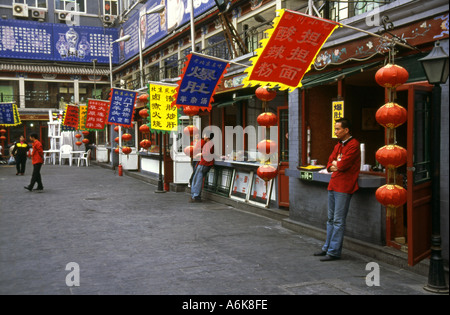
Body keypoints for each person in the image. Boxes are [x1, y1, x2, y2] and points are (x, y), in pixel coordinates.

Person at [314, 118, 361, 261]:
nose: (335, 132)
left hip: (344, 186)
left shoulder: (354, 145)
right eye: (334, 129)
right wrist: (336, 164)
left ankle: (334, 252)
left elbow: (343, 165)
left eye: (338, 129)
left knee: (338, 220)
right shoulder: (338, 146)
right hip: (333, 184)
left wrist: (337, 164)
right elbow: (329, 164)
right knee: (330, 219)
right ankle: (327, 247)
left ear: (346, 130)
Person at [190, 132, 215, 202]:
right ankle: (195, 195)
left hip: (204, 163)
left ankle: (195, 195)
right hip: (205, 163)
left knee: (197, 179)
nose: (203, 136)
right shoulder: (209, 143)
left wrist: (199, 154)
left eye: (204, 135)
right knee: (197, 179)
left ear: (207, 136)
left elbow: (206, 153)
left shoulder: (208, 143)